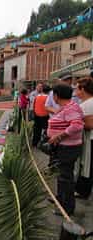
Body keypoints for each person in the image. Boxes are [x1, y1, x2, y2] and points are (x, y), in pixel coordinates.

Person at [48, 84, 84, 216]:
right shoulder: (66, 107)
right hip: (63, 146)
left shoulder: (71, 108)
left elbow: (77, 125)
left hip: (68, 147)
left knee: (65, 177)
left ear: (57, 96)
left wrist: (59, 135)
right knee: (62, 175)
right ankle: (61, 200)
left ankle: (67, 207)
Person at [75, 77, 93, 199]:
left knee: (87, 165)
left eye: (77, 88)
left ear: (83, 89)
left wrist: (75, 123)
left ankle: (83, 191)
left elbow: (90, 124)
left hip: (89, 138)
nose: (76, 91)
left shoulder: (87, 104)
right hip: (88, 138)